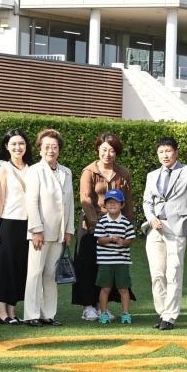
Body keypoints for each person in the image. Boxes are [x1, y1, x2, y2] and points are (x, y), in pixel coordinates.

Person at [142, 136, 187, 330]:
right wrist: (151, 218)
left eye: (168, 151)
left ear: (176, 152)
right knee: (157, 274)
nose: (165, 155)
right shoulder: (152, 175)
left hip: (176, 227)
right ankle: (162, 312)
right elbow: (147, 201)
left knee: (174, 272)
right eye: (161, 152)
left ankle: (169, 317)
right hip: (155, 228)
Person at [74, 133, 134, 321]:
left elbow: (128, 202)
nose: (108, 154)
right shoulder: (89, 171)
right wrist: (98, 225)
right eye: (104, 149)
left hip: (116, 227)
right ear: (98, 149)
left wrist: (128, 228)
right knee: (87, 266)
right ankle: (88, 307)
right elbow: (85, 199)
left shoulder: (123, 173)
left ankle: (103, 308)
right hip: (91, 227)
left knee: (109, 267)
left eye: (112, 150)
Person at [23, 129, 74, 327]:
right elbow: (31, 201)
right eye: (46, 147)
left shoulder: (66, 172)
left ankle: (48, 314)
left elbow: (69, 203)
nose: (50, 150)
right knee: (35, 273)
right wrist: (36, 229)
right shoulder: (34, 171)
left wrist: (68, 230)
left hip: (59, 233)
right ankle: (31, 314)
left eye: (54, 147)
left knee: (51, 275)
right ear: (40, 149)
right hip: (41, 232)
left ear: (59, 149)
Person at [0, 129, 33, 325]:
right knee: (2, 268)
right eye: (13, 144)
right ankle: (1, 313)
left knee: (19, 268)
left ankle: (12, 312)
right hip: (7, 223)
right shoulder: (3, 167)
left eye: (21, 143)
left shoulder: (32, 169)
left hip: (27, 225)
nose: (17, 147)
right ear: (6, 146)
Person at [95, 189, 136, 324]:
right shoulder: (102, 222)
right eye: (109, 202)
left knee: (123, 289)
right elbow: (99, 240)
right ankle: (103, 314)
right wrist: (111, 239)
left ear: (122, 205)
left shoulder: (126, 222)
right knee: (105, 288)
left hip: (122, 262)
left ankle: (126, 314)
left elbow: (130, 240)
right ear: (105, 205)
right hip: (105, 262)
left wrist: (122, 242)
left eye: (116, 202)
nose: (112, 205)